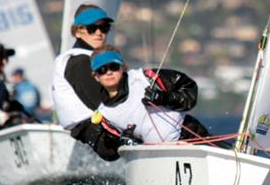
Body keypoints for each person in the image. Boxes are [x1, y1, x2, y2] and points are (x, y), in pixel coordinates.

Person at [79, 46, 208, 161]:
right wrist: (121, 142)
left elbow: (190, 90)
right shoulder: (105, 115)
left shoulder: (147, 79)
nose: (108, 72)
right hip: (156, 159)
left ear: (122, 67)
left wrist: (163, 98)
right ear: (95, 76)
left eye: (113, 66)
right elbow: (108, 154)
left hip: (190, 136)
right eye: (102, 69)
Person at [52, 4, 115, 147]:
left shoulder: (91, 58)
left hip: (94, 131)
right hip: (96, 134)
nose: (99, 33)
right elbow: (101, 103)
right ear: (78, 31)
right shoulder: (79, 61)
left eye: (104, 28)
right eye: (92, 28)